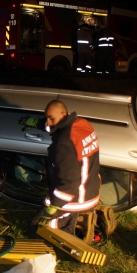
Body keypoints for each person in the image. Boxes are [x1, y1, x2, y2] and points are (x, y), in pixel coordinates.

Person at [26, 100, 101, 236]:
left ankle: (73, 223)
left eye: (51, 118)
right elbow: (58, 127)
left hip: (76, 198)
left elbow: (69, 183)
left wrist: (52, 207)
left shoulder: (63, 145)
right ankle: (80, 217)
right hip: (92, 189)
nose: (48, 123)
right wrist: (36, 123)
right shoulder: (82, 125)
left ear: (63, 114)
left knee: (35, 227)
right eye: (46, 118)